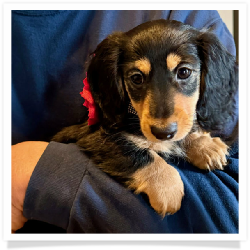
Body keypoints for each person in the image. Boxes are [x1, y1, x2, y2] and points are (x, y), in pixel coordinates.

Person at [12, 10, 238, 233]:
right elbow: (103, 140)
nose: (162, 121)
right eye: (137, 78)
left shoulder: (188, 14)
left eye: (184, 72)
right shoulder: (122, 124)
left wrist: (194, 140)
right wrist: (151, 170)